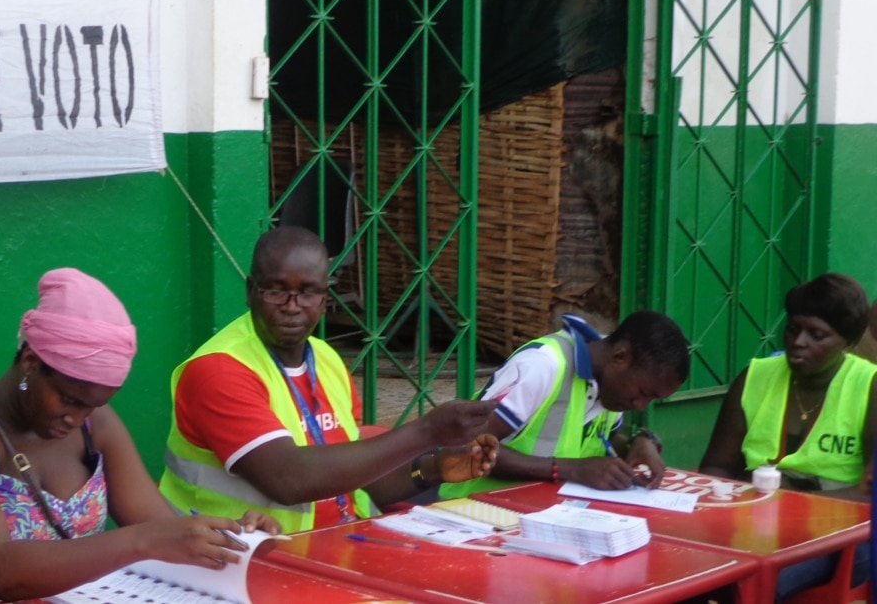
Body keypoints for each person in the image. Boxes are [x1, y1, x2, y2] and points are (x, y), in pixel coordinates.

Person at [0, 268, 281, 604]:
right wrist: (141, 541)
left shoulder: (93, 423)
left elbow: (158, 525)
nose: (77, 418)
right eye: (69, 399)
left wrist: (232, 535)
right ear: (31, 361)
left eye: (94, 404)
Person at [159, 226, 500, 532]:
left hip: (334, 543)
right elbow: (289, 480)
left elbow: (357, 480)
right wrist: (427, 432)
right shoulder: (219, 369)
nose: (292, 306)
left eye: (308, 293)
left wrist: (433, 468)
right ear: (251, 292)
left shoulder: (326, 359)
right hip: (237, 558)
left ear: (325, 299)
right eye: (276, 291)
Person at [698, 273, 876, 601]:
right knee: (698, 577)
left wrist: (791, 502)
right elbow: (716, 468)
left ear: (848, 343)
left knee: (755, 581)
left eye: (817, 335)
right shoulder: (755, 377)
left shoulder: (869, 387)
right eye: (793, 329)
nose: (798, 342)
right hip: (751, 525)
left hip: (840, 538)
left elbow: (872, 494)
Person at [439, 310, 691, 499]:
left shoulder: (611, 387)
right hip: (469, 513)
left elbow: (602, 443)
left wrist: (638, 442)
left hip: (542, 518)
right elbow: (468, 447)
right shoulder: (543, 366)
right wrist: (570, 469)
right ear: (620, 357)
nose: (640, 406)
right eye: (643, 393)